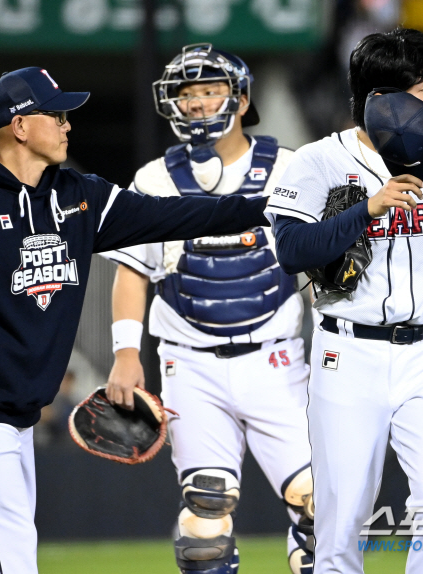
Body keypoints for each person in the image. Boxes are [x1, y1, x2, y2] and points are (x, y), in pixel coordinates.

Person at [0, 66, 271, 574]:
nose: (68, 124)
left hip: (17, 414)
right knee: (12, 560)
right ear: (21, 125)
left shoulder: (76, 196)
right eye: (56, 114)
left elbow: (172, 216)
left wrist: (267, 209)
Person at [264, 29, 423, 574]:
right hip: (347, 355)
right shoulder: (316, 161)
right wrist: (366, 210)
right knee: (342, 523)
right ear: (382, 100)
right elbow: (290, 251)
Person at [102, 44, 315, 574]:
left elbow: (316, 270)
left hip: (277, 359)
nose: (197, 103)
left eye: (210, 90)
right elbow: (131, 272)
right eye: (187, 93)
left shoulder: (291, 168)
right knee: (205, 519)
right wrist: (126, 353)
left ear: (241, 100)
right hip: (189, 362)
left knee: (323, 505)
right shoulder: (154, 178)